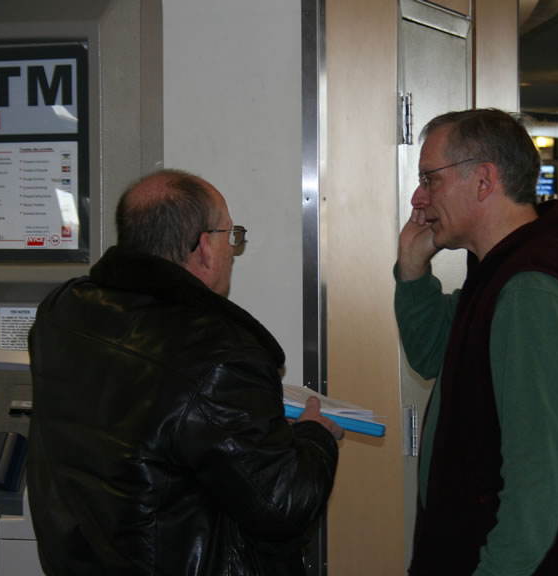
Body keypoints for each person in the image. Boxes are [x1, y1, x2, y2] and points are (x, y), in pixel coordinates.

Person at [26, 169, 343, 575]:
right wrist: (315, 436)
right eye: (232, 237)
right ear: (205, 248)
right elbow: (282, 504)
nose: (233, 250)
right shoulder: (220, 356)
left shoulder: (61, 312)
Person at [394, 109, 558, 575]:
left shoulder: (530, 287)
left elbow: (540, 473)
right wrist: (412, 272)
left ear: (484, 180)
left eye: (430, 179)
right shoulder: (503, 269)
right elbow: (433, 354)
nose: (418, 196)